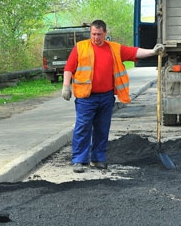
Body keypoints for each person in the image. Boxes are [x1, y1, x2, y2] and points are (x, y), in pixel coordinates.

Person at [62, 20, 164, 173]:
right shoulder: (81, 47)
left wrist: (152, 52)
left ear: (105, 33)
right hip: (86, 97)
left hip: (106, 96)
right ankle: (79, 160)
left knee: (102, 129)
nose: (96, 37)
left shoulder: (114, 49)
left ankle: (97, 159)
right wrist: (65, 86)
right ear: (90, 33)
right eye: (93, 34)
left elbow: (134, 52)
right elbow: (69, 67)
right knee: (83, 128)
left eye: (99, 34)